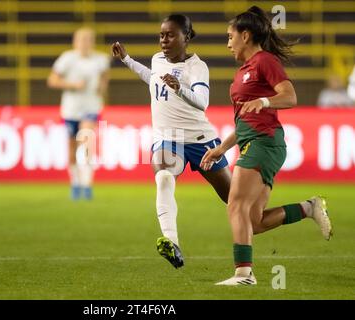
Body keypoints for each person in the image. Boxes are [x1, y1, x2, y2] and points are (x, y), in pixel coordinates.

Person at [200, 6, 333, 286]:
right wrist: (222, 148)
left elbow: (290, 96)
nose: (227, 43)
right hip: (253, 141)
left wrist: (264, 101)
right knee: (254, 221)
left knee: (235, 204)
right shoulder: (242, 73)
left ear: (245, 35)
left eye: (230, 36)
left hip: (264, 142)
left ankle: (244, 274)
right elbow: (243, 122)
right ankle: (309, 207)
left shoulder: (264, 61)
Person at [112, 14, 232, 269]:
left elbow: (203, 102)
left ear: (186, 38)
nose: (164, 40)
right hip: (169, 139)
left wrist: (179, 88)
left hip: (201, 140)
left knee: (238, 203)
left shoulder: (197, 67)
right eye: (161, 35)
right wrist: (127, 60)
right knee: (164, 176)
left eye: (170, 35)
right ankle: (172, 243)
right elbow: (152, 78)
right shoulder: (157, 60)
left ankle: (306, 209)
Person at [47, 27, 110, 200]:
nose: (84, 43)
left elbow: (105, 76)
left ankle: (87, 184)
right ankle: (75, 182)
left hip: (91, 108)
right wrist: (73, 85)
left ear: (92, 41)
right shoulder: (67, 59)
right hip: (70, 109)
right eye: (81, 39)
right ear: (75, 42)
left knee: (86, 140)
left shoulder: (100, 59)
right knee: (71, 149)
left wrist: (101, 88)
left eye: (88, 39)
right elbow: (52, 80)